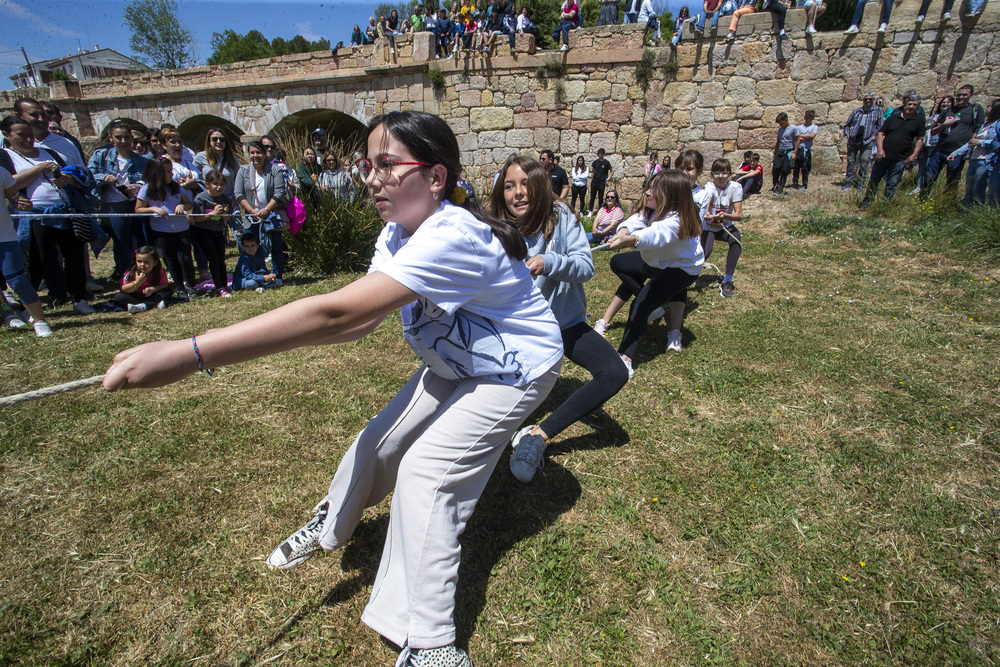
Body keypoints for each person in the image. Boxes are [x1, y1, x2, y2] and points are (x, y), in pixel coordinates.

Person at [103, 111, 563, 667]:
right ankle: (334, 518)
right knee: (380, 442)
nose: (372, 178)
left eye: (388, 165)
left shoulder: (452, 235)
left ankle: (434, 645)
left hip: (514, 369)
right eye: (368, 165)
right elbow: (355, 321)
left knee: (428, 478)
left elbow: (333, 313)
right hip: (456, 357)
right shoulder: (398, 230)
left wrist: (190, 354)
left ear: (436, 178)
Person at [487, 155, 629, 483]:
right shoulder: (493, 226)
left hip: (564, 323)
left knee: (614, 372)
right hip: (518, 330)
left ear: (540, 186)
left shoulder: (561, 215)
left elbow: (585, 265)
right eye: (510, 186)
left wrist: (548, 261)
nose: (518, 193)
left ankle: (537, 435)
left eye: (525, 184)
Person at [598, 171, 704, 376]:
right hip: (658, 260)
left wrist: (631, 240)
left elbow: (657, 234)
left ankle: (625, 360)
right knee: (619, 262)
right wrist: (623, 232)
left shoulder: (677, 219)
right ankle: (654, 306)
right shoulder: (652, 207)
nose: (647, 192)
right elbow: (636, 220)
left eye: (653, 190)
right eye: (648, 186)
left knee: (641, 305)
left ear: (670, 195)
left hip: (682, 268)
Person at [1, 115, 93, 315]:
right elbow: (9, 184)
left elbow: (76, 175)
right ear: (7, 135)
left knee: (74, 255)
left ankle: (79, 297)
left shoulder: (49, 152)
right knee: (41, 259)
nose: (27, 139)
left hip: (65, 210)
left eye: (29, 135)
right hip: (35, 215)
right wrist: (38, 169)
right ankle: (44, 299)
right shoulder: (5, 156)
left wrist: (68, 179)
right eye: (21, 135)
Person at [88, 119, 149, 280]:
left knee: (143, 242)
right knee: (123, 243)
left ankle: (146, 276)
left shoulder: (142, 161)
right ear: (111, 138)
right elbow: (88, 176)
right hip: (113, 205)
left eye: (127, 137)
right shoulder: (101, 157)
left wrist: (140, 185)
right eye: (118, 137)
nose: (123, 141)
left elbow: (151, 179)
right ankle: (127, 276)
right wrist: (104, 177)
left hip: (135, 203)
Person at [0, 164, 52, 337]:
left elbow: (14, 197)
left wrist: (21, 203)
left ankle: (39, 320)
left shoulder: (2, 172)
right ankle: (8, 313)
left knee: (16, 279)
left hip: (4, 236)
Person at [135, 158, 197, 298]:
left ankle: (191, 286)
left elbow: (188, 204)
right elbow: (138, 209)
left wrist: (182, 206)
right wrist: (153, 209)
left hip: (182, 229)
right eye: (168, 171)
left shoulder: (176, 187)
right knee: (171, 259)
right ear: (158, 173)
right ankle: (180, 287)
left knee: (186, 258)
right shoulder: (146, 189)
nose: (171, 174)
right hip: (162, 231)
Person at [860, 93, 925, 209]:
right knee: (874, 181)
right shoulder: (894, 117)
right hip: (883, 156)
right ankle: (866, 204)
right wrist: (880, 150)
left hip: (901, 158)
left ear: (918, 107)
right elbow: (880, 133)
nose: (911, 107)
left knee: (892, 184)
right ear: (905, 104)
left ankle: (884, 207)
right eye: (909, 104)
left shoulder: (918, 121)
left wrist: (914, 155)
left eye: (914, 105)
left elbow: (920, 139)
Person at [234, 140, 287, 281]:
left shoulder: (275, 170)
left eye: (258, 152)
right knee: (251, 247)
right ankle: (255, 275)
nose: (255, 155)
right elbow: (239, 194)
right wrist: (252, 211)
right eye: (252, 152)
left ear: (264, 153)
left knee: (275, 245)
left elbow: (279, 192)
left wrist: (267, 209)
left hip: (271, 215)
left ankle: (277, 276)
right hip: (252, 217)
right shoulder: (244, 171)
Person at [921, 85, 986, 199]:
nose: (961, 97)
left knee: (952, 179)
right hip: (940, 149)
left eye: (964, 95)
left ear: (971, 95)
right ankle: (922, 200)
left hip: (957, 152)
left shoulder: (975, 110)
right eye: (959, 95)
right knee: (929, 176)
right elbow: (933, 132)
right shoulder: (948, 111)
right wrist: (945, 124)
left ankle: (947, 203)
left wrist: (968, 149)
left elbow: (977, 131)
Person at [701, 158, 744, 298]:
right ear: (712, 175)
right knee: (705, 253)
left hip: (725, 226)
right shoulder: (709, 187)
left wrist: (725, 215)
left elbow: (738, 215)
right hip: (709, 228)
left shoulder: (735, 187)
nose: (720, 177)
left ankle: (728, 280)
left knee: (736, 241)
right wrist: (707, 213)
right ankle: (684, 275)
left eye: (724, 173)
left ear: (729, 174)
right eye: (716, 173)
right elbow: (708, 201)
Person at [948, 99, 1000, 208]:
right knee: (969, 187)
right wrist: (955, 153)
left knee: (978, 188)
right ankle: (966, 213)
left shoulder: (997, 125)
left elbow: (995, 142)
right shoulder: (985, 124)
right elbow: (972, 142)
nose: (987, 107)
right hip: (973, 159)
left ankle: (976, 213)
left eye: (989, 105)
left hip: (985, 160)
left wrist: (980, 142)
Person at [191, 170, 232, 296]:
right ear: (207, 184)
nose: (219, 187)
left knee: (221, 259)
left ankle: (224, 285)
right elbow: (195, 218)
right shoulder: (201, 198)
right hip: (204, 232)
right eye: (215, 184)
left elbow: (226, 219)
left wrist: (225, 213)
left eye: (222, 184)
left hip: (218, 231)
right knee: (213, 259)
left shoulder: (224, 198)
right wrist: (212, 214)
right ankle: (219, 287)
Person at [842, 92, 883, 190]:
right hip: (853, 140)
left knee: (864, 161)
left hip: (867, 140)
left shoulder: (877, 111)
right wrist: (848, 133)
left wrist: (874, 136)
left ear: (873, 100)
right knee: (851, 162)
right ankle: (848, 181)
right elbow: (847, 125)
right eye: (866, 99)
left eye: (870, 99)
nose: (868, 101)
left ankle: (860, 182)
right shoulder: (856, 112)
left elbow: (880, 126)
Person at [114, 245, 172, 312]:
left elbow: (164, 285)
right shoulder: (130, 272)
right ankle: (151, 305)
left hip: (152, 296)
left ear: (155, 262)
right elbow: (123, 289)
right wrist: (137, 283)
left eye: (146, 262)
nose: (142, 265)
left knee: (167, 291)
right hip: (135, 297)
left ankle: (143, 306)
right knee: (118, 297)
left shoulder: (159, 272)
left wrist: (152, 289)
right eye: (139, 261)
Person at [791, 110, 819, 190]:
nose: (808, 120)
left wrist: (802, 137)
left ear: (812, 118)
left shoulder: (814, 127)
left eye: (810, 118)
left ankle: (804, 184)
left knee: (805, 167)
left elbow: (812, 136)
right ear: (804, 118)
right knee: (796, 167)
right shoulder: (799, 127)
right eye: (807, 118)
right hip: (798, 149)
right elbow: (796, 138)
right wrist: (805, 137)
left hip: (806, 150)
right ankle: (795, 183)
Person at [771, 112, 798, 195]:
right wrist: (775, 153)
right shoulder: (780, 129)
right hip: (780, 151)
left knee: (784, 170)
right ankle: (775, 185)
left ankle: (780, 188)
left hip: (788, 150)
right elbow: (778, 141)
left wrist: (794, 153)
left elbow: (798, 140)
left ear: (786, 120)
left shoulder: (793, 128)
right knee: (775, 169)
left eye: (781, 123)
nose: (780, 125)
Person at [588, 148, 614, 216]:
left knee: (600, 197)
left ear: (603, 154)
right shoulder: (595, 162)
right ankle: (590, 210)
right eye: (598, 153)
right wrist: (592, 178)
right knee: (592, 197)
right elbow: (593, 171)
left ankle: (600, 211)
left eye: (601, 153)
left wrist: (607, 179)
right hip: (595, 181)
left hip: (602, 182)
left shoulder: (606, 163)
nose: (600, 154)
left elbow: (611, 171)